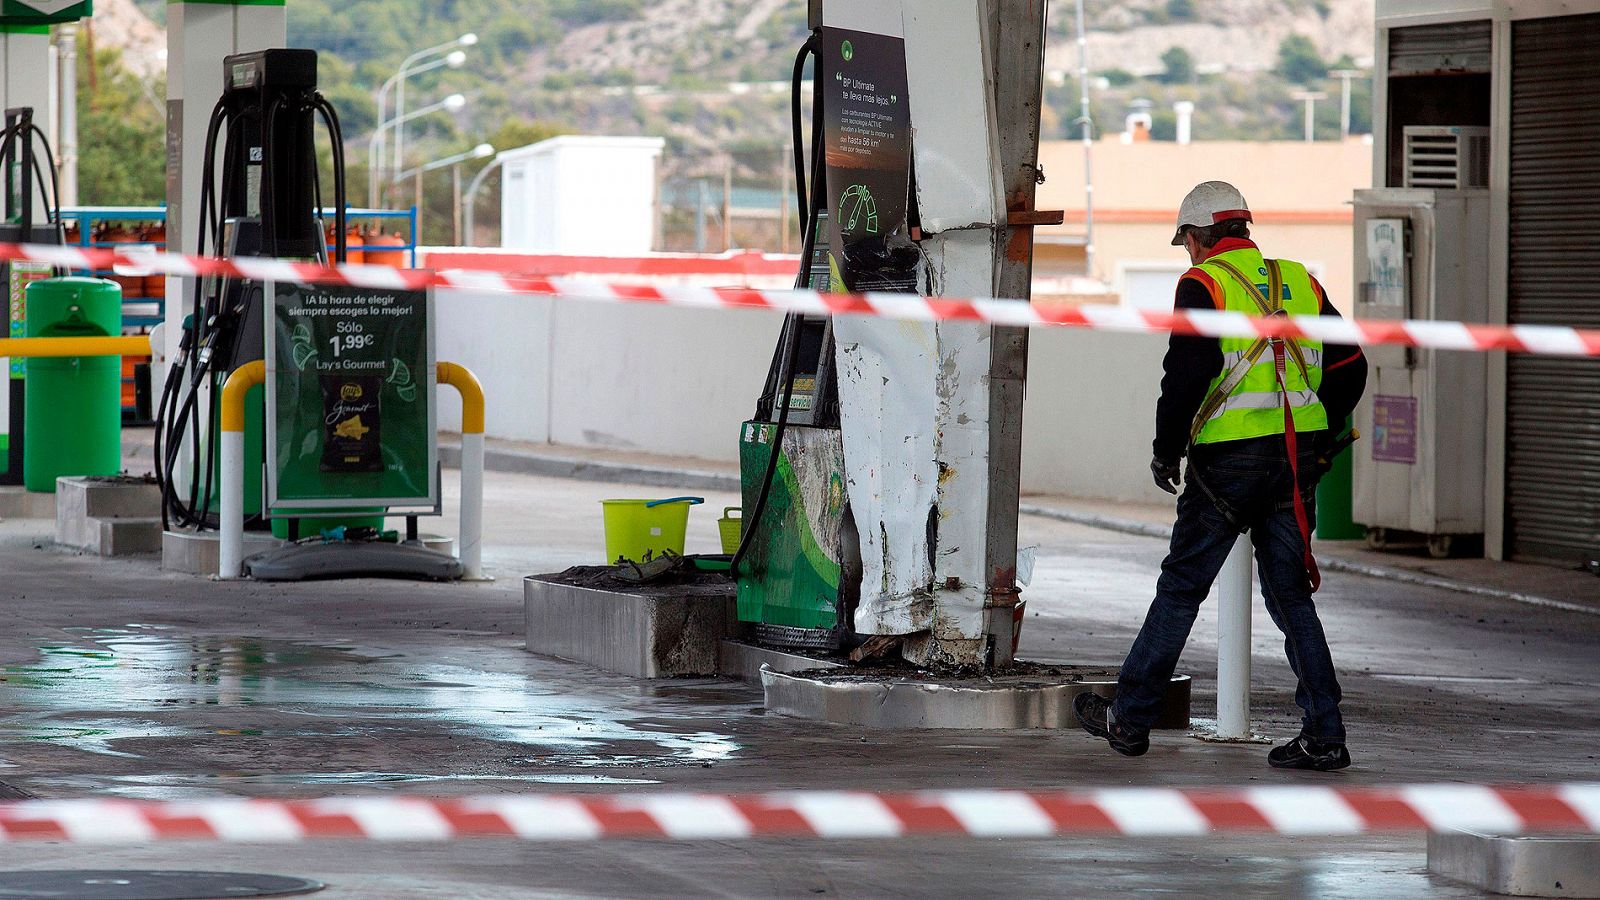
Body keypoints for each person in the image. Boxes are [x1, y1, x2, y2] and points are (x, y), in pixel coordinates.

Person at [1075, 181, 1369, 771]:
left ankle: (1130, 719)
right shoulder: (1298, 282)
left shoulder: (1203, 284)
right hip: (1292, 460)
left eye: (1185, 239)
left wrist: (1165, 450)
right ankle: (1325, 732)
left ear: (1198, 236)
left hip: (1227, 465)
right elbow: (1350, 364)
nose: (1186, 251)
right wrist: (1320, 436)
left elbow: (1185, 373)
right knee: (1291, 597)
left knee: (1182, 588)